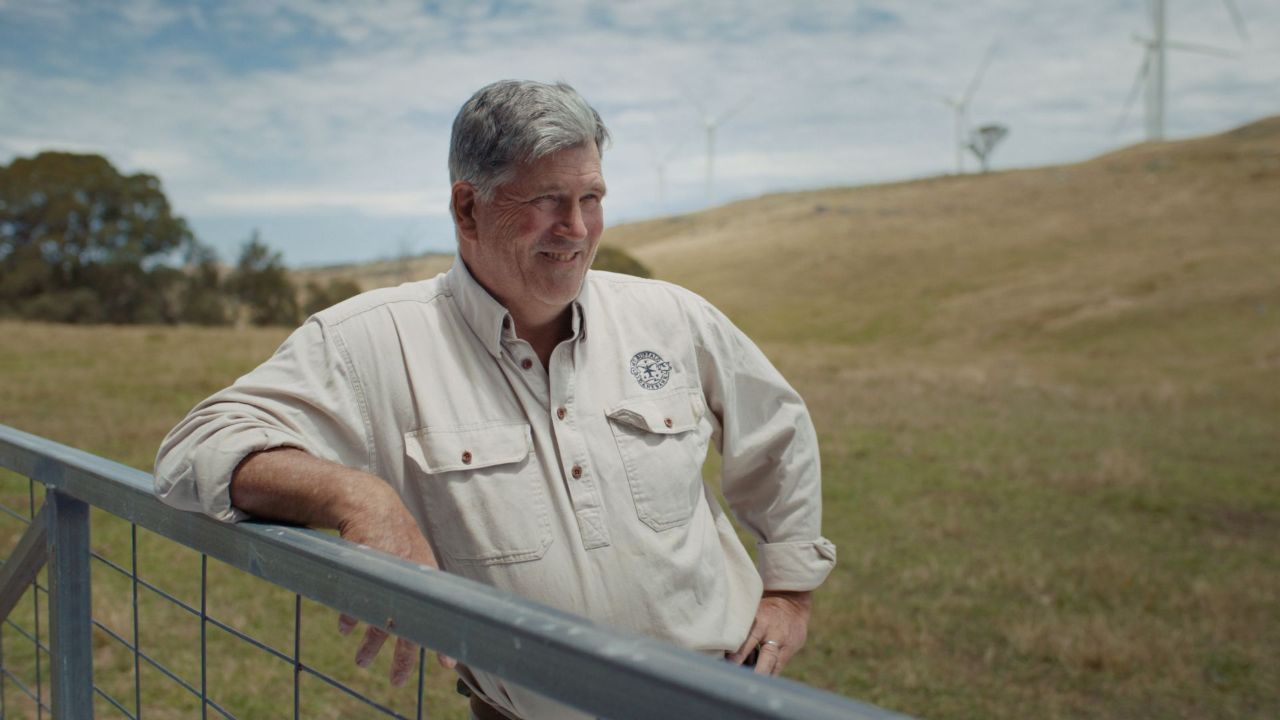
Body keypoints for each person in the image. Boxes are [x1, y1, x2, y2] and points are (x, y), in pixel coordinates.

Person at [155, 79, 835, 720]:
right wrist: (358, 498)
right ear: (467, 208)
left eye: (591, 198)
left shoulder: (671, 317)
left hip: (727, 700)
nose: (576, 228)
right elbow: (196, 446)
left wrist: (788, 590)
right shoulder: (373, 341)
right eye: (545, 201)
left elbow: (775, 428)